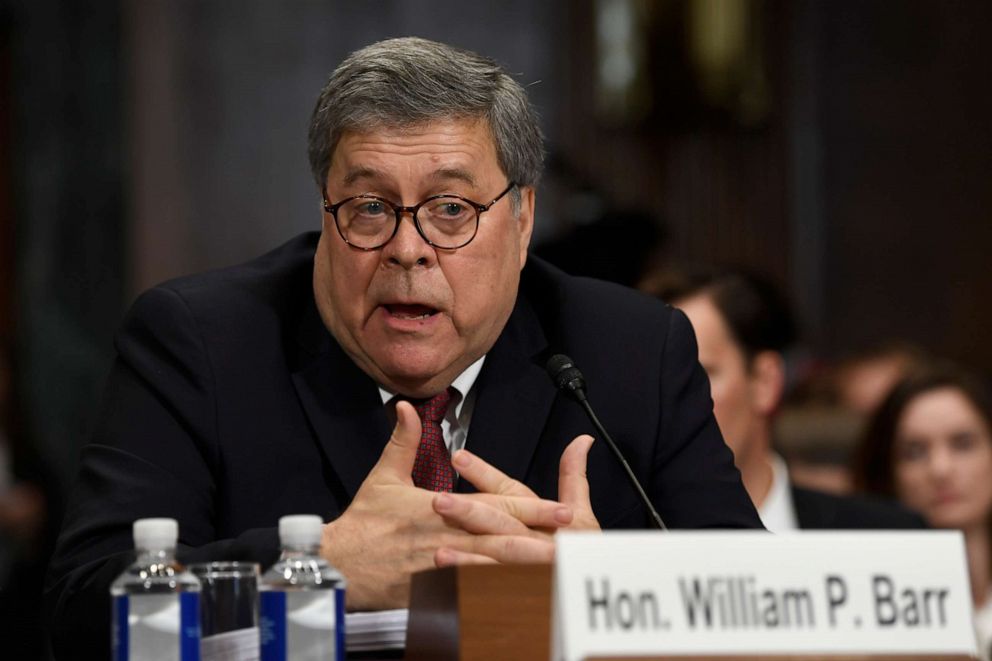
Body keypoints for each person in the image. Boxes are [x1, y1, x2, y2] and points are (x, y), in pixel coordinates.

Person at [45, 38, 761, 657]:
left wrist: (602, 592)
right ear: (326, 213)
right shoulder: (201, 343)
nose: (408, 249)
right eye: (369, 208)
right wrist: (321, 565)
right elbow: (84, 612)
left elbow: (760, 613)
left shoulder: (628, 351)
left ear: (522, 218)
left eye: (452, 208)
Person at [654, 268, 925, 531]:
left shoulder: (882, 539)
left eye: (695, 376)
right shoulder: (619, 547)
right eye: (648, 384)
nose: (665, 401)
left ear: (764, 382)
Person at [852, 362, 992, 660]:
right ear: (887, 471)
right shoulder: (860, 610)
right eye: (914, 452)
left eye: (963, 444)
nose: (940, 469)